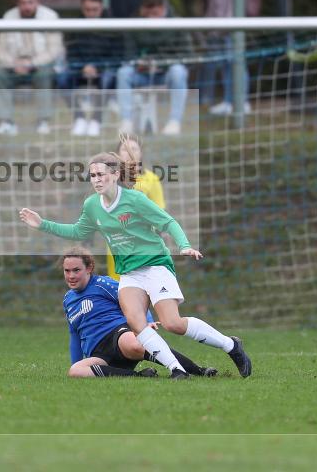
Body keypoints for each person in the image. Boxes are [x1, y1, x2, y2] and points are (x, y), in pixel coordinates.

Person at [19, 146, 251, 380]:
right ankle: (177, 370)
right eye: (92, 175)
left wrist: (183, 245)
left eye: (101, 174)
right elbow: (78, 230)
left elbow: (168, 222)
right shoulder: (92, 205)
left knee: (173, 324)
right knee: (136, 324)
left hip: (155, 265)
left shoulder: (135, 199)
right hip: (129, 273)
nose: (96, 180)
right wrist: (43, 224)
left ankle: (231, 345)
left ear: (116, 175)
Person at [61, 246, 216, 379]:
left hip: (118, 337)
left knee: (134, 344)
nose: (71, 276)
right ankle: (140, 375)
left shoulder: (103, 284)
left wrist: (146, 324)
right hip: (98, 354)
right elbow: (74, 334)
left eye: (76, 270)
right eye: (67, 271)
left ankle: (198, 371)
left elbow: (136, 303)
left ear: (89, 268)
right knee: (75, 371)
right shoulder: (68, 300)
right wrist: (77, 362)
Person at [0, 0, 65, 136]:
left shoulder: (50, 17)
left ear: (37, 2)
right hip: (14, 66)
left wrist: (31, 63)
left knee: (44, 75)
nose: (27, 6)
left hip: (40, 65)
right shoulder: (8, 17)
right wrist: (14, 63)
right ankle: (5, 122)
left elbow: (53, 51)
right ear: (18, 3)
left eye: (30, 2)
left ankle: (43, 122)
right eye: (23, 3)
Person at [117, 0, 191, 136]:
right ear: (143, 10)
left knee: (178, 71)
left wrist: (160, 64)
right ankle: (126, 121)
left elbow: (187, 55)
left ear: (163, 9)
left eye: (155, 14)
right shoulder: (133, 24)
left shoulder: (177, 24)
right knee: (123, 73)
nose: (152, 18)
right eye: (148, 14)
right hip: (141, 74)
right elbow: (128, 54)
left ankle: (174, 121)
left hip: (166, 74)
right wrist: (139, 63)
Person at [57, 0, 119, 137]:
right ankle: (79, 118)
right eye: (87, 10)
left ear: (101, 7)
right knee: (62, 79)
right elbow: (71, 54)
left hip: (103, 71)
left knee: (109, 79)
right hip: (80, 70)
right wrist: (83, 67)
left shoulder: (114, 25)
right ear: (82, 8)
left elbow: (117, 55)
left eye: (95, 10)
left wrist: (97, 67)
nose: (91, 14)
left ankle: (96, 120)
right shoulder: (75, 26)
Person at [105, 133, 164, 280]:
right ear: (117, 153)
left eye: (134, 148)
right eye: (125, 149)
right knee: (119, 285)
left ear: (141, 153)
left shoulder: (151, 179)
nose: (130, 152)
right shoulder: (109, 178)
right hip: (118, 239)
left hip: (144, 240)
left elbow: (159, 212)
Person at [204, 0, 252, 115]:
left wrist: (228, 22)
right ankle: (228, 101)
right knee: (224, 64)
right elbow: (212, 2)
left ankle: (242, 101)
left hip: (230, 24)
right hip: (216, 25)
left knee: (237, 63)